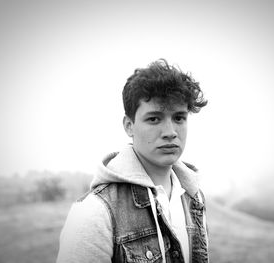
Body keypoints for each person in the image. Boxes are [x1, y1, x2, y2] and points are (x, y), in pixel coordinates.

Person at [56, 59, 209, 262]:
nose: (170, 132)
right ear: (129, 126)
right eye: (154, 119)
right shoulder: (94, 211)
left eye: (179, 118)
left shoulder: (193, 197)